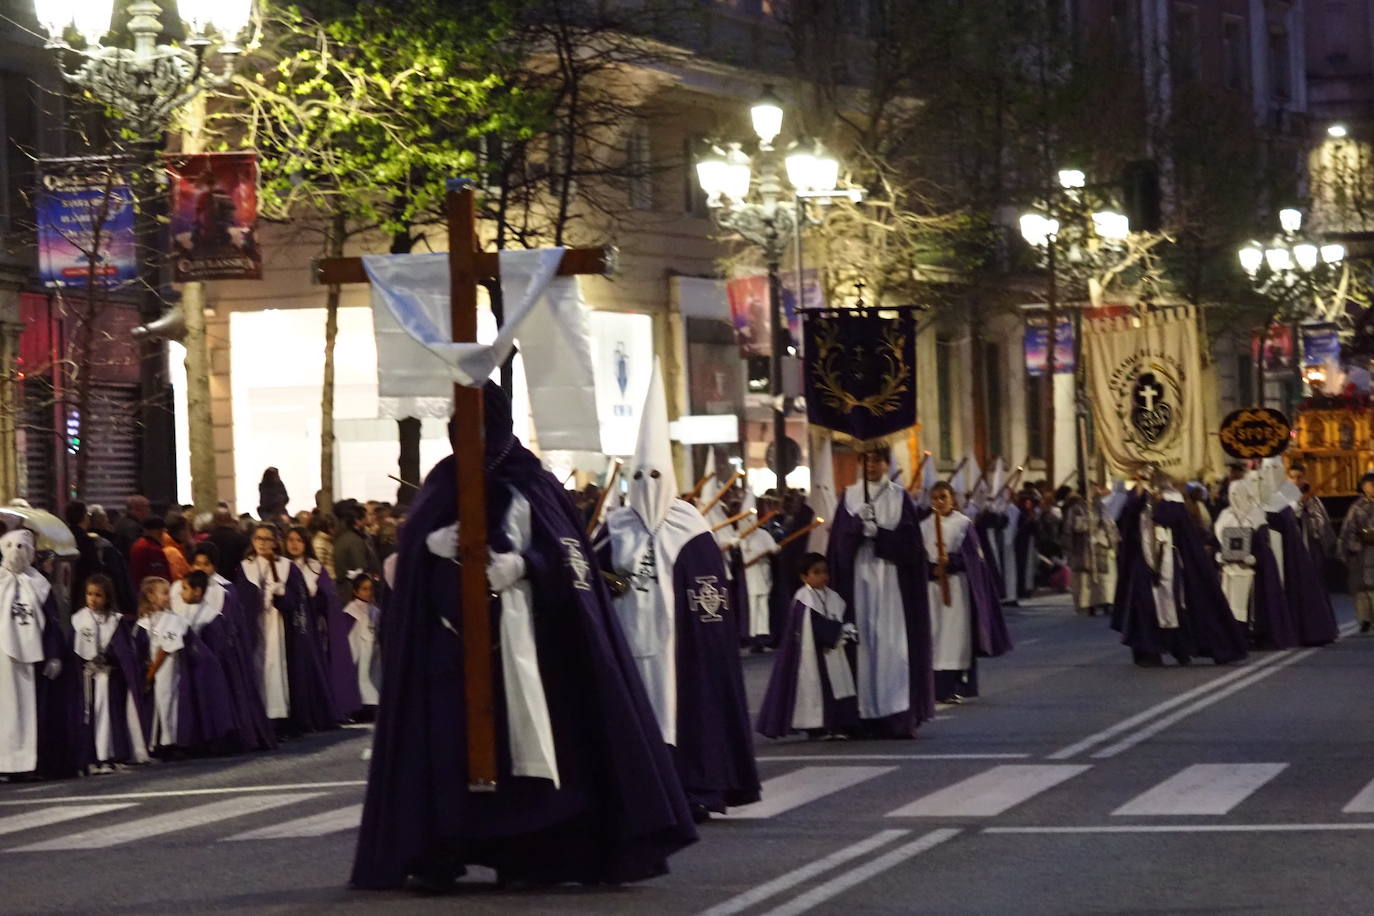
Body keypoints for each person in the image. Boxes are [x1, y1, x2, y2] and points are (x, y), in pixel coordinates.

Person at [352, 380, 697, 890]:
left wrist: (526, 565)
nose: (466, 435)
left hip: (526, 647)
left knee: (527, 754)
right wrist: (428, 547)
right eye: (459, 424)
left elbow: (573, 557)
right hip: (450, 649)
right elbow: (406, 565)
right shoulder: (442, 482)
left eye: (477, 423)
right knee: (447, 751)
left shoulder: (533, 482)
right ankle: (440, 850)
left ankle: (531, 854)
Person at [600, 366, 759, 820]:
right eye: (640, 476)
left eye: (656, 475)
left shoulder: (688, 523)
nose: (648, 485)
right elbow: (595, 577)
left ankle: (693, 789)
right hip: (631, 638)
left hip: (679, 644)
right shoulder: (617, 526)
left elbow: (709, 591)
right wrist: (611, 583)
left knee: (685, 710)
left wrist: (704, 636)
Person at [827, 448, 933, 738]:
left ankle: (895, 716)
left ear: (887, 463)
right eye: (866, 460)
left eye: (877, 460)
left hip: (890, 584)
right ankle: (858, 716)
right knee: (861, 644)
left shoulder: (899, 497)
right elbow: (837, 548)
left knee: (891, 646)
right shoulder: (848, 496)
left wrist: (881, 535)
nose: (871, 465)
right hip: (858, 582)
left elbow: (912, 549)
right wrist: (856, 529)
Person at [1113, 475, 1249, 667]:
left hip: (1171, 559)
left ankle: (1182, 647)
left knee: (1179, 604)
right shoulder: (1136, 497)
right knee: (1143, 604)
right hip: (1144, 560)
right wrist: (1140, 496)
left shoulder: (1173, 498)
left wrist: (1156, 502)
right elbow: (1126, 520)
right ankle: (1148, 650)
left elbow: (1171, 520)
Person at [232, 524, 338, 737]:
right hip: (257, 627)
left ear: (275, 542)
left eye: (267, 539)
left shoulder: (287, 567)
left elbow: (299, 603)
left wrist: (282, 596)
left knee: (276, 668)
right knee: (258, 667)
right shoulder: (245, 567)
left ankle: (280, 716)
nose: (262, 543)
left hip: (279, 627)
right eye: (258, 538)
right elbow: (241, 601)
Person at [923, 481, 1012, 703]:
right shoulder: (924, 526)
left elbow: (974, 557)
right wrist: (931, 569)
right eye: (934, 498)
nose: (939, 502)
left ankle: (952, 686)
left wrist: (952, 562)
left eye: (943, 497)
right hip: (932, 588)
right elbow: (918, 556)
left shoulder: (963, 524)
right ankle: (934, 688)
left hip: (956, 588)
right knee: (935, 635)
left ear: (952, 498)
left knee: (954, 637)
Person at [756, 553, 858, 739]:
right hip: (813, 654)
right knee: (820, 687)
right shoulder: (804, 599)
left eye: (825, 572)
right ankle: (817, 726)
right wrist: (838, 631)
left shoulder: (833, 596)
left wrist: (847, 629)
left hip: (834, 652)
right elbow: (814, 626)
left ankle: (838, 724)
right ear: (804, 577)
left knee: (838, 685)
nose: (823, 576)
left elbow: (840, 615)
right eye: (816, 572)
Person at [134, 576, 234, 756]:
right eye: (164, 593)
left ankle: (171, 741)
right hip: (154, 670)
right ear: (150, 596)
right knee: (159, 704)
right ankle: (157, 742)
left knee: (170, 703)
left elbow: (165, 649)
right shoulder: (144, 621)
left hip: (170, 669)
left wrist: (150, 674)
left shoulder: (172, 619)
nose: (169, 596)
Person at [190, 544, 275, 751]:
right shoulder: (186, 585)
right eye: (197, 563)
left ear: (214, 566)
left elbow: (233, 623)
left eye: (206, 564)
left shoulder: (225, 589)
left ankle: (230, 738)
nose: (201, 568)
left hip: (222, 652)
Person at [0, 527, 70, 778]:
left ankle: (30, 764)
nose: (15, 552)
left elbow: (52, 622)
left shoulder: (40, 584)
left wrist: (54, 654)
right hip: (3, 661)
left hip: (33, 660)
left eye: (21, 547)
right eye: (10, 546)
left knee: (31, 713)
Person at [70, 574, 147, 773]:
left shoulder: (115, 621)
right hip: (88, 679)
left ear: (107, 597)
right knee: (90, 717)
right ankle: (91, 758)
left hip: (109, 678)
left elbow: (124, 652)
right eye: (89, 594)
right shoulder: (79, 620)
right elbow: (74, 650)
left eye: (98, 595)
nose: (93, 599)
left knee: (110, 717)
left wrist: (109, 660)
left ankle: (111, 755)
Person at [284, 525, 361, 722]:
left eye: (298, 540)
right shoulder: (280, 566)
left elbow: (327, 599)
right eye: (290, 540)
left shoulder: (315, 568)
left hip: (311, 629)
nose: (294, 544)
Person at [1259, 461, 1338, 648]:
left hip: (1302, 548)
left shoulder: (1308, 499)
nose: (1295, 481)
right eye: (1292, 477)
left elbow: (1320, 525)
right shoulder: (1271, 494)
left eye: (1299, 477)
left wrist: (1303, 510)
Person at [1214, 475, 1297, 650]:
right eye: (1233, 494)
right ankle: (1233, 636)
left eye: (1239, 493)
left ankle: (1252, 634)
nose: (1236, 498)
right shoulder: (1225, 515)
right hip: (1229, 570)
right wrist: (1219, 555)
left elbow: (1262, 543)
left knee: (1250, 604)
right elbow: (1217, 541)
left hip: (1250, 570)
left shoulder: (1256, 515)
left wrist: (1255, 558)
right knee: (1230, 605)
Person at [1062, 489, 1120, 617]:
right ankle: (1089, 605)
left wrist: (1111, 539)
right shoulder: (1075, 509)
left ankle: (1106, 602)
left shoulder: (1102, 507)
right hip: (1083, 549)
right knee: (1085, 580)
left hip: (1102, 545)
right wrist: (1086, 523)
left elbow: (1110, 525)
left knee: (1105, 579)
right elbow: (1071, 528)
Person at [341, 572, 380, 719]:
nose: (368, 592)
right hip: (357, 653)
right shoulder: (350, 611)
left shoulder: (375, 611)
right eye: (364, 589)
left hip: (373, 655)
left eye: (370, 589)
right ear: (355, 591)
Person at [1340, 472, 1374, 634]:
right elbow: (1348, 529)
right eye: (1366, 486)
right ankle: (1364, 619)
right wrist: (1355, 543)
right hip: (1361, 551)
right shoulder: (1357, 507)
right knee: (1361, 588)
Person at [332, 503, 381, 608]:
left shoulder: (342, 537)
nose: (368, 519)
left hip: (344, 589)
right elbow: (360, 568)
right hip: (354, 592)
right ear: (358, 521)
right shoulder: (355, 541)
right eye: (365, 516)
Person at [129, 517, 172, 586]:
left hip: (140, 587)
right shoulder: (152, 548)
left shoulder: (137, 544)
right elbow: (160, 574)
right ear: (160, 531)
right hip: (152, 589)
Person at [206, 508, 248, 579]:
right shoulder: (242, 539)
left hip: (215, 581)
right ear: (230, 520)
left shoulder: (208, 541)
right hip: (237, 580)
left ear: (214, 521)